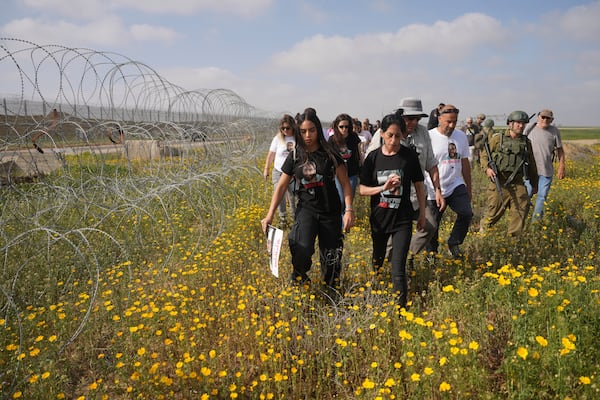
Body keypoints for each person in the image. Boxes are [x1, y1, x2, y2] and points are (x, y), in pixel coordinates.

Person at [261, 109, 355, 287]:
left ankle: (331, 291)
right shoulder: (295, 156)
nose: (308, 135)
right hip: (306, 211)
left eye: (311, 130)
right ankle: (300, 279)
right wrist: (269, 214)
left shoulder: (330, 154)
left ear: (318, 129)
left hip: (330, 212)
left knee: (331, 259)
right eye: (303, 131)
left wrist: (349, 209)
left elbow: (345, 183)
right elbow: (281, 186)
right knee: (301, 249)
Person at [359, 113, 426, 308]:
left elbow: (419, 185)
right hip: (380, 219)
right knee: (378, 261)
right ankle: (376, 294)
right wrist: (383, 188)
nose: (394, 140)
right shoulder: (373, 158)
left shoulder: (409, 156)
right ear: (381, 134)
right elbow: (362, 190)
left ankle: (400, 310)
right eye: (390, 135)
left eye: (398, 136)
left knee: (398, 268)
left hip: (402, 219)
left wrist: (421, 213)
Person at [366, 98, 445, 263]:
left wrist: (438, 189)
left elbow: (431, 164)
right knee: (388, 244)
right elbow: (369, 163)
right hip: (391, 197)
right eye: (410, 118)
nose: (414, 122)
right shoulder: (384, 134)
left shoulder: (423, 133)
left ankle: (406, 255)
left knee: (430, 225)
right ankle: (383, 273)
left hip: (415, 196)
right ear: (400, 116)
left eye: (417, 119)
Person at [479, 111, 538, 235]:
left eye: (523, 124)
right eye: (518, 123)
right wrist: (487, 169)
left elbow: (532, 164)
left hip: (517, 183)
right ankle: (482, 233)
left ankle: (514, 239)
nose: (521, 126)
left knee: (521, 210)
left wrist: (535, 183)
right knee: (494, 211)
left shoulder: (526, 143)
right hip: (499, 182)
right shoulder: (497, 139)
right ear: (510, 124)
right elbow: (484, 156)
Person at [427, 105, 473, 258]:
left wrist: (469, 188)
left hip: (455, 184)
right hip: (433, 189)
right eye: (448, 122)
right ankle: (431, 255)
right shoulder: (429, 137)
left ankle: (454, 242)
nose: (452, 125)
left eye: (454, 122)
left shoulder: (461, 136)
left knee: (466, 213)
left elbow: (465, 163)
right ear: (439, 119)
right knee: (433, 225)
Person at [524, 109, 566, 221]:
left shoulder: (554, 131)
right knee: (526, 193)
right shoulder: (529, 127)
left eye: (548, 118)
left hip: (546, 171)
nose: (545, 120)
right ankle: (520, 220)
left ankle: (535, 223)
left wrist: (562, 166)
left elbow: (560, 150)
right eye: (543, 117)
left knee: (542, 197)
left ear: (552, 120)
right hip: (529, 170)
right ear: (538, 117)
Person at [263, 114, 297, 223]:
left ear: (293, 127)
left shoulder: (297, 138)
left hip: (293, 173)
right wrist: (266, 168)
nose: (285, 130)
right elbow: (271, 154)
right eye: (283, 128)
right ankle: (283, 219)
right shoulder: (277, 139)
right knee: (280, 196)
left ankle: (295, 217)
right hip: (279, 172)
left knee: (293, 196)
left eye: (288, 128)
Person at [329, 113, 362, 210]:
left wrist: (362, 165)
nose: (344, 129)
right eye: (341, 127)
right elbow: (329, 156)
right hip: (339, 174)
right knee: (341, 200)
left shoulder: (353, 137)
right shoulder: (332, 139)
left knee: (349, 201)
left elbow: (358, 152)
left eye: (346, 127)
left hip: (352, 172)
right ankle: (340, 221)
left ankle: (346, 221)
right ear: (336, 126)